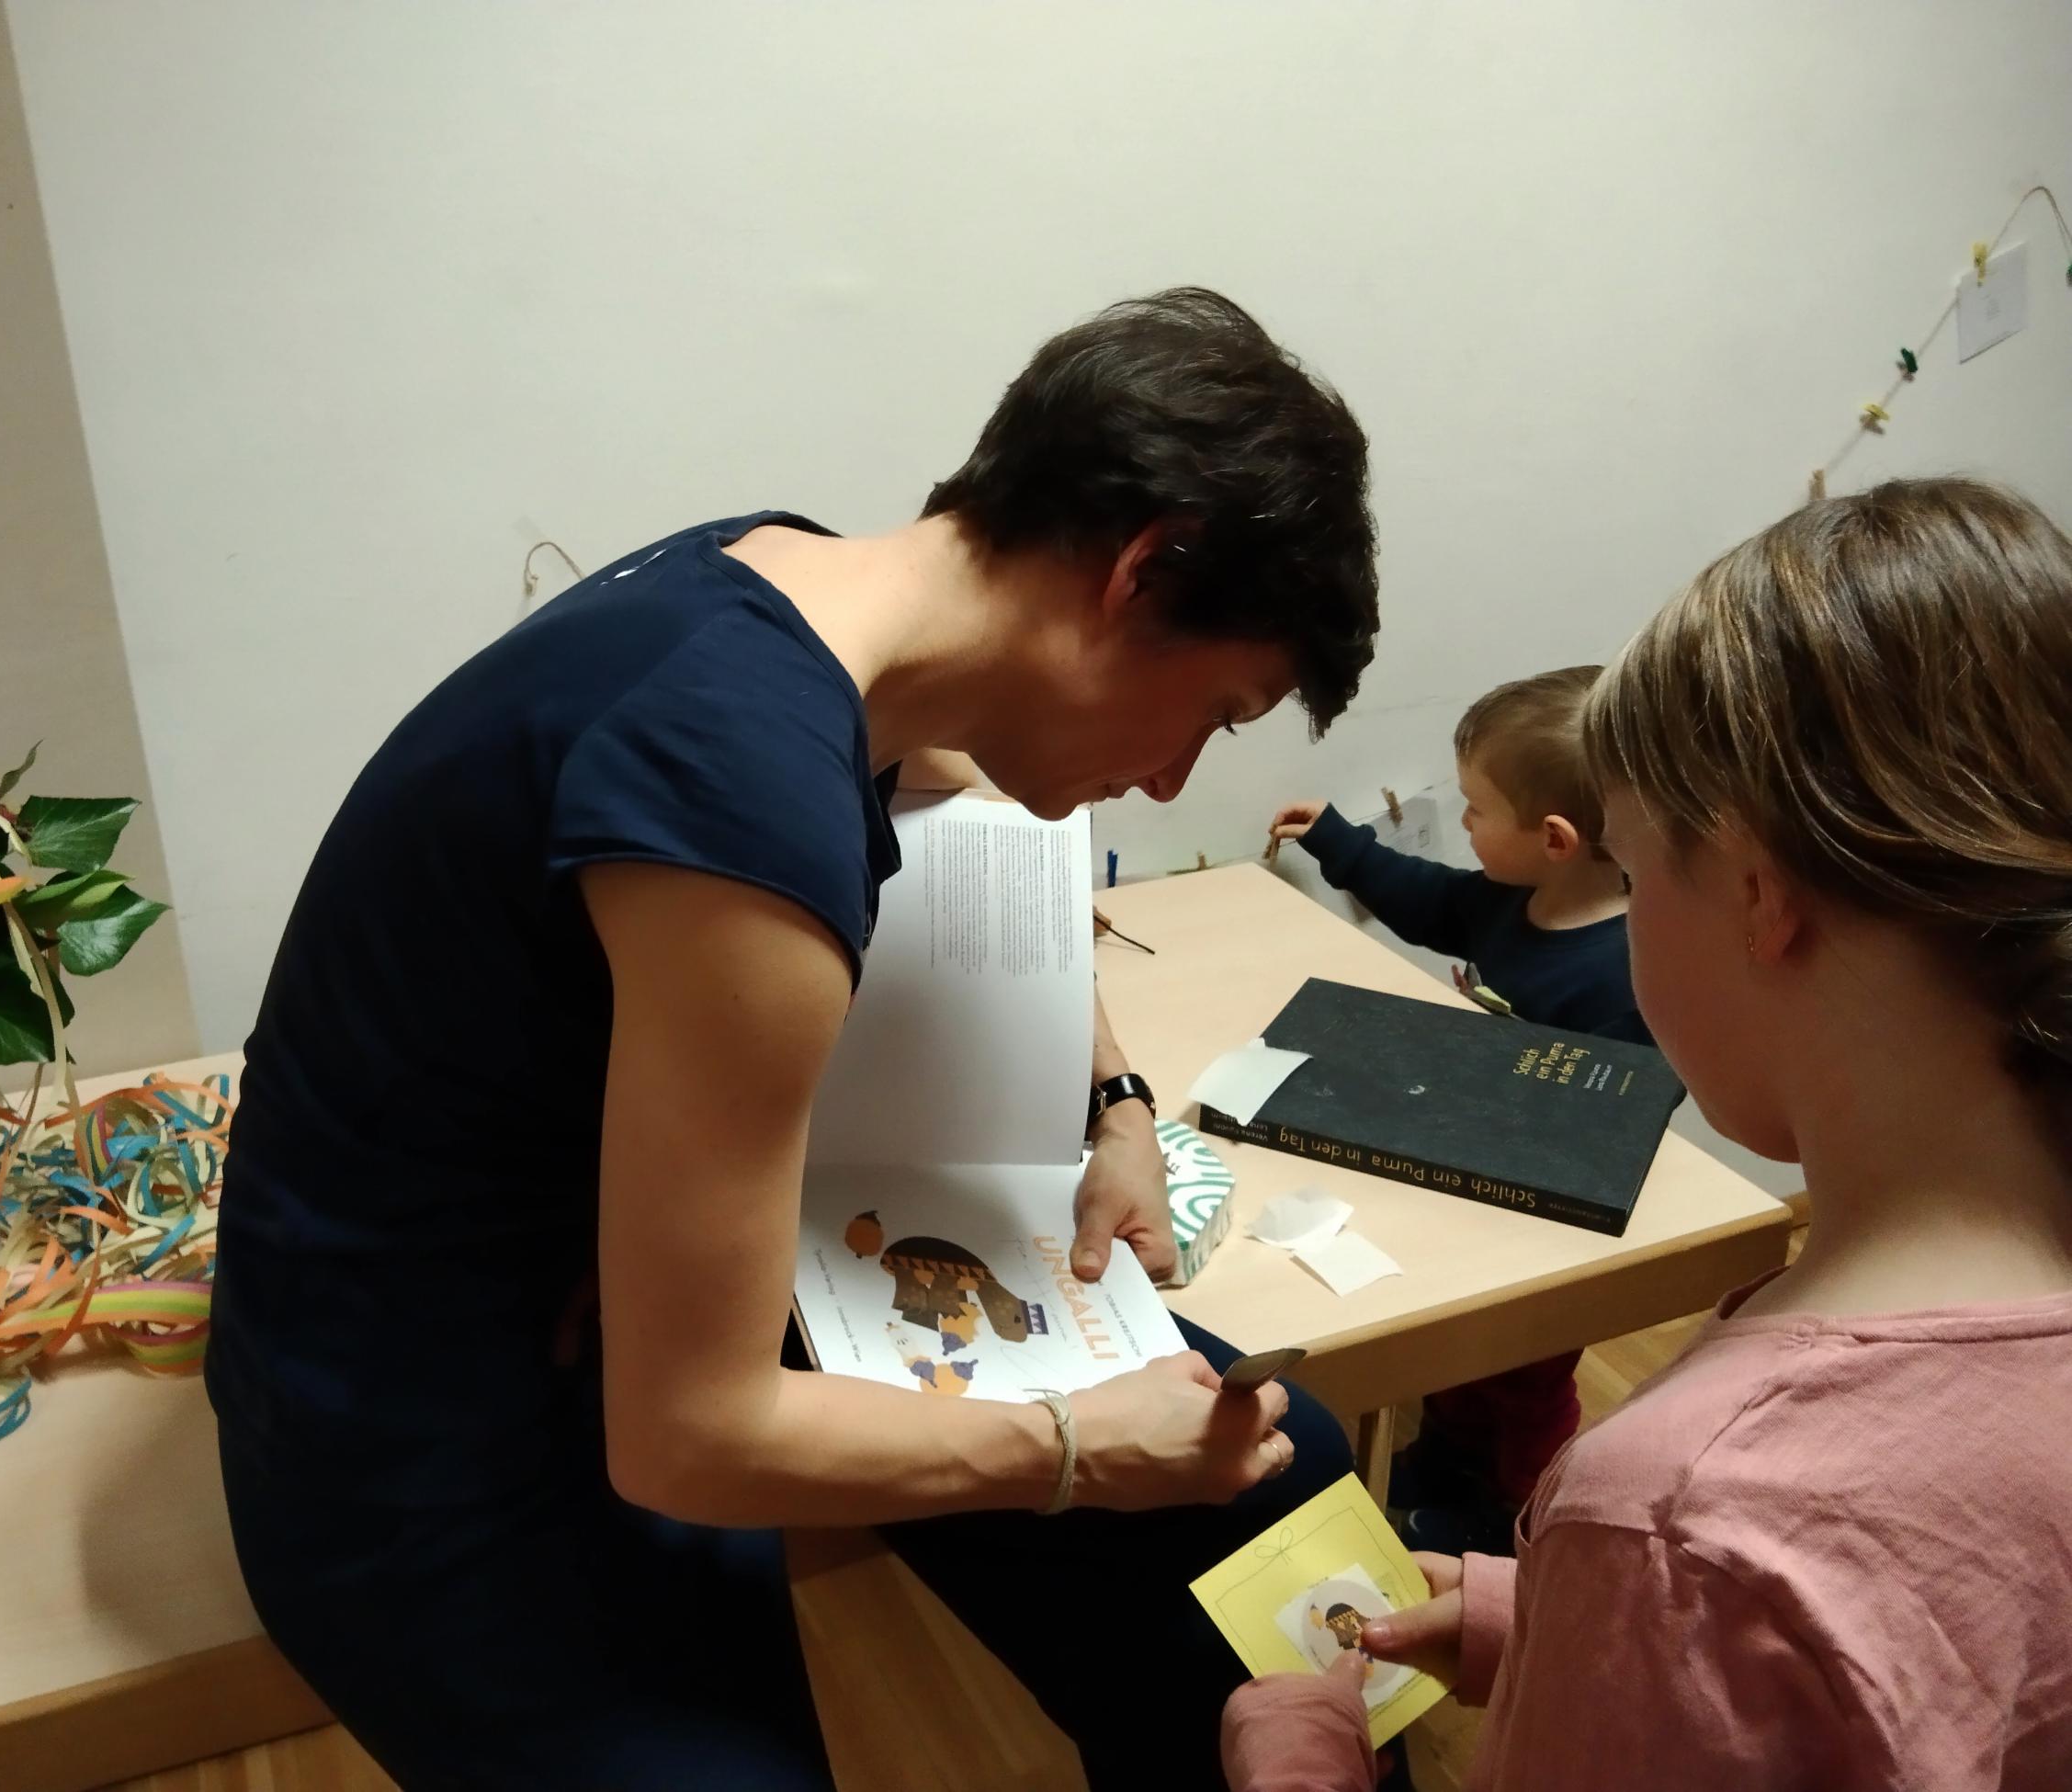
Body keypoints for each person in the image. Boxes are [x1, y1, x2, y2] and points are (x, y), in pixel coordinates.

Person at [206, 288, 1383, 1791]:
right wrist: (1079, 1447)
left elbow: (955, 779)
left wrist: (1119, 1102)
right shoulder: (737, 796)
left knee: (1288, 1482)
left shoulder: (798, 591)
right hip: (418, 1420)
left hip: (624, 1286)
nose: (1167, 783)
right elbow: (688, 1436)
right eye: (1215, 713)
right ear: (1140, 569)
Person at [1223, 477, 2072, 1790]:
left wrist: (1307, 1759)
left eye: (1629, 870)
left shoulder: (1695, 1522)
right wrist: (1573, 1626)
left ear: (1755, 892)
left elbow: (1762, 1609)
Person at [1267, 666, 1643, 1555]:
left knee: (1520, 1385)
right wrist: (1340, 842)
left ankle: (1519, 1517)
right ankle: (1446, 1467)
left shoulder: (1623, 974)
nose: (1462, 822)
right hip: (1478, 1182)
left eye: (1475, 808)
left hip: (1551, 1234)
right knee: (1456, 1367)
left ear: (1554, 839)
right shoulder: (1511, 902)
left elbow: (1616, 1128)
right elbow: (1425, 898)